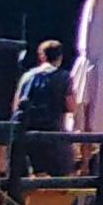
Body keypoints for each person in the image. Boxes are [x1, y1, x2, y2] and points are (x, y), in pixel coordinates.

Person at [11, 40, 73, 178]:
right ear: (60, 57)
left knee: (37, 177)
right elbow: (71, 106)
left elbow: (16, 105)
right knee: (64, 176)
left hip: (29, 133)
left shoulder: (27, 76)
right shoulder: (64, 77)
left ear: (41, 56)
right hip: (54, 133)